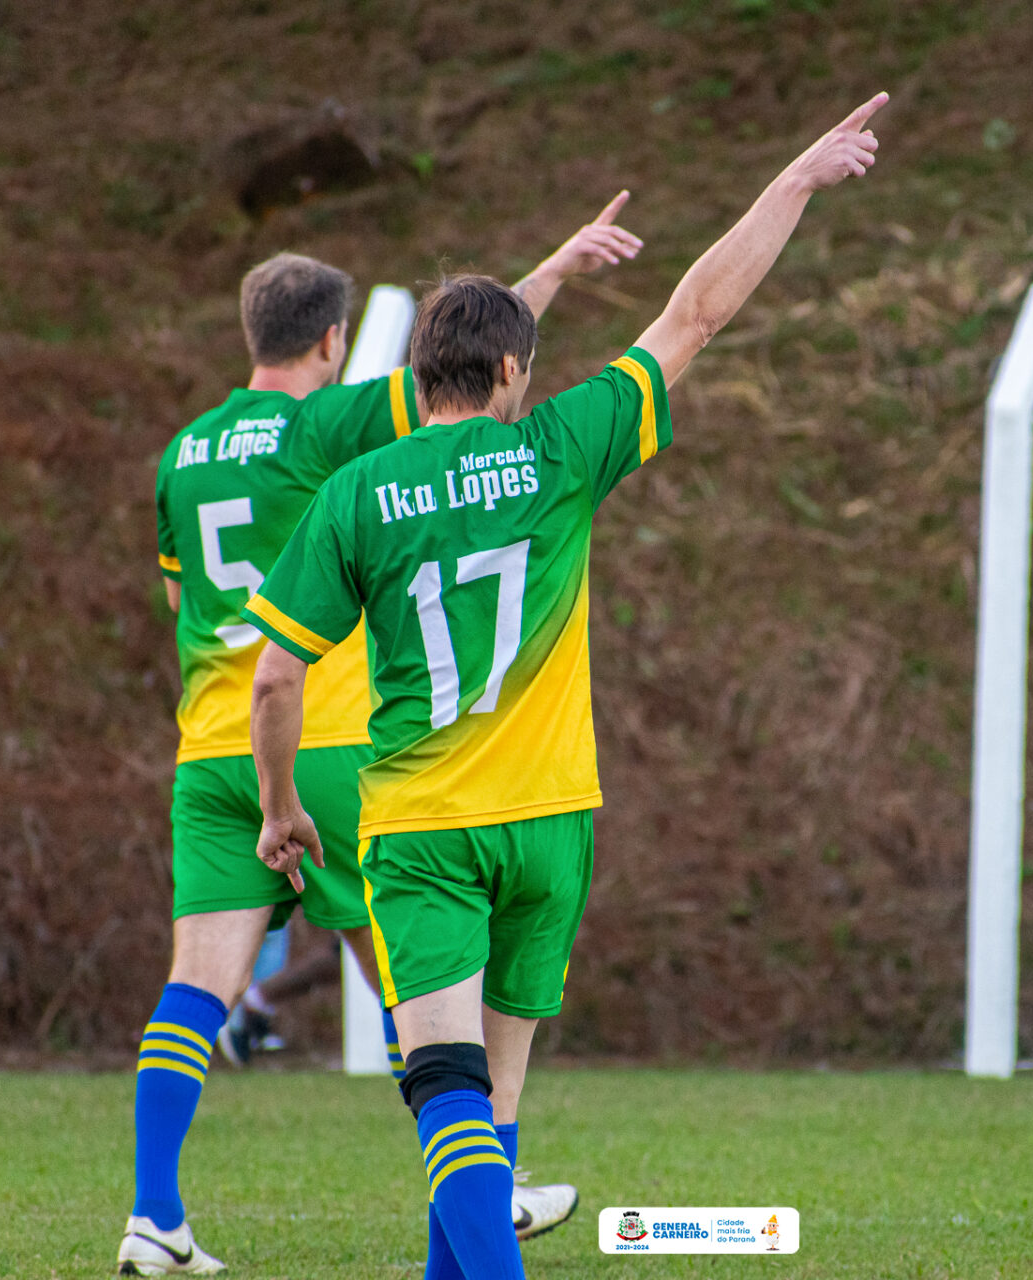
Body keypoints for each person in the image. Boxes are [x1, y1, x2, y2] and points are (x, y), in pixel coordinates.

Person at [245, 91, 886, 1280]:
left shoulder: (360, 491)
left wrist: (284, 808)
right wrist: (792, 183)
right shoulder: (556, 449)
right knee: (491, 1106)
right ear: (505, 370)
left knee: (443, 1093)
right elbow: (695, 311)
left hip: (427, 828)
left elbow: (278, 674)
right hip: (552, 820)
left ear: (422, 367)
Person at [119, 203, 636, 1277]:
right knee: (425, 997)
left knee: (196, 985)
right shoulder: (334, 428)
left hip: (210, 744)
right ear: (330, 342)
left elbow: (185, 594)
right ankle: (488, 1179)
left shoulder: (183, 454)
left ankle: (154, 1211)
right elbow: (470, 371)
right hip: (333, 742)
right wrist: (557, 265)